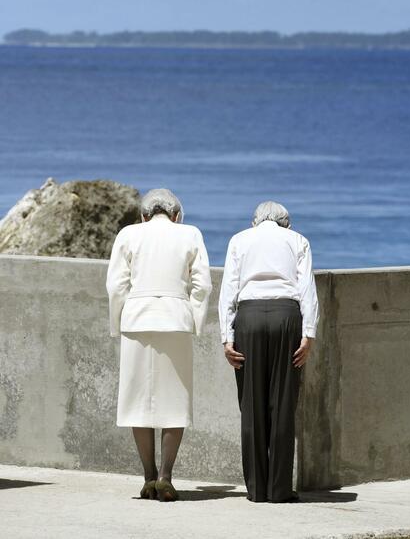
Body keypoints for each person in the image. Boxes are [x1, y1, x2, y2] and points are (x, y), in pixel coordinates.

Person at [106, 188, 212, 501]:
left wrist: (117, 322)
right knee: (174, 401)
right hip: (175, 320)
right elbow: (202, 284)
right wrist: (195, 321)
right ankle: (166, 475)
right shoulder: (190, 234)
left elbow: (116, 285)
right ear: (177, 214)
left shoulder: (129, 234)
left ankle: (148, 476)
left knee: (138, 400)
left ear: (144, 214)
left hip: (137, 319)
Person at [218, 201, 319, 503]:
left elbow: (228, 290)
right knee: (283, 404)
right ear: (285, 222)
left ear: (255, 221)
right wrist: (308, 334)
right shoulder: (298, 240)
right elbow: (307, 290)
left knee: (251, 405)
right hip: (286, 316)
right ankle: (279, 489)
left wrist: (227, 337)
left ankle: (256, 489)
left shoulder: (239, 240)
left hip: (248, 318)